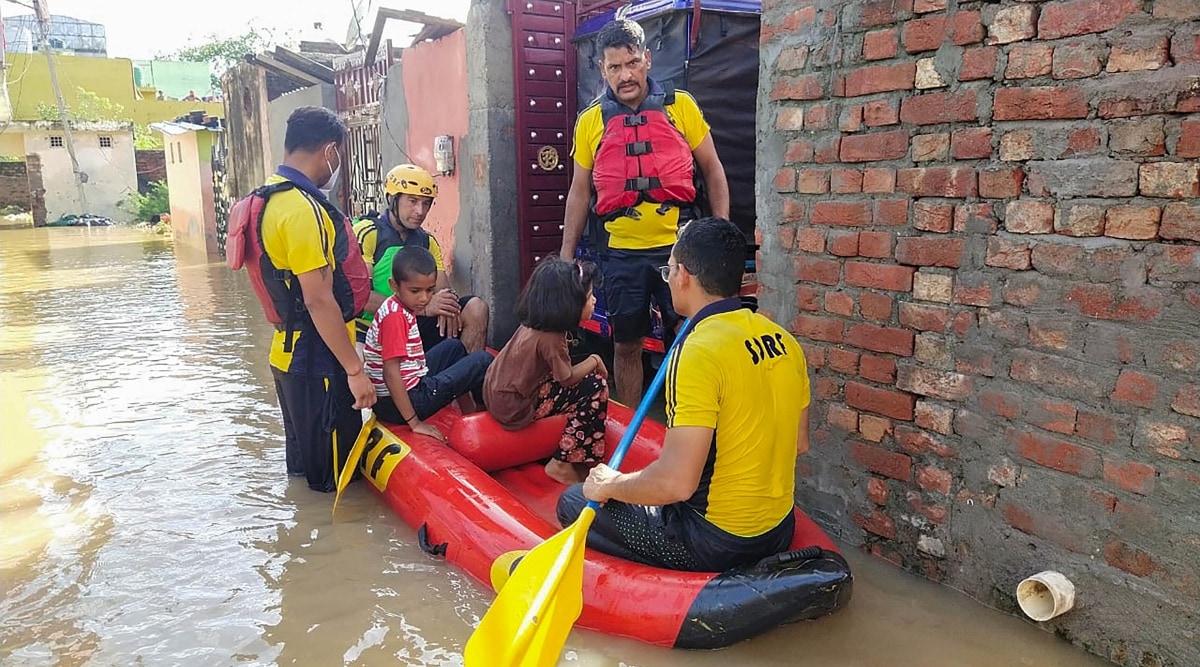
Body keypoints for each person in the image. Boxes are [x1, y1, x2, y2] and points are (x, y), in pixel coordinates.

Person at [557, 218, 810, 572]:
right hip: (779, 531)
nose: (669, 277)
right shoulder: (785, 340)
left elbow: (676, 484)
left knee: (572, 501)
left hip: (715, 542)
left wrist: (611, 484)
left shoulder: (696, 351)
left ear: (684, 276)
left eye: (669, 269)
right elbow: (799, 444)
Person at [559, 18, 730, 407]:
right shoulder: (590, 122)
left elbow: (713, 169)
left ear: (648, 60)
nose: (625, 75)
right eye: (615, 67)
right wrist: (567, 256)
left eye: (632, 63)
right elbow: (579, 191)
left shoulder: (680, 106)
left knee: (691, 341)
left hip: (680, 251)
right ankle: (630, 428)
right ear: (602, 70)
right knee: (626, 344)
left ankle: (688, 422)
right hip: (620, 255)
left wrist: (720, 231)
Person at [260, 106, 377, 493]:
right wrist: (355, 371)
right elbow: (319, 300)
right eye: (339, 155)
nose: (338, 163)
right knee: (336, 486)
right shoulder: (302, 210)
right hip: (318, 363)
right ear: (330, 151)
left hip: (286, 356)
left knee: (304, 474)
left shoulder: (270, 197)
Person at [484, 258, 610, 484]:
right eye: (589, 296)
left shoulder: (535, 323)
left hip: (499, 396)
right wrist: (594, 360)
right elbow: (566, 378)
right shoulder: (552, 336)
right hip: (515, 409)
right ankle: (562, 463)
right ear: (569, 303)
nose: (594, 300)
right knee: (596, 386)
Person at [354, 164, 490, 356]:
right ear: (393, 199)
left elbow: (442, 290)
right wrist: (421, 309)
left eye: (426, 203)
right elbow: (361, 298)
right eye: (412, 201)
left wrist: (446, 303)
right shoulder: (368, 233)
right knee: (359, 363)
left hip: (414, 328)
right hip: (372, 330)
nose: (420, 211)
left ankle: (467, 377)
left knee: (476, 309)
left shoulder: (427, 240)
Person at [363, 246, 494, 443]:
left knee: (454, 347)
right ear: (394, 286)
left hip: (406, 387)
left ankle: (471, 414)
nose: (424, 298)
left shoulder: (399, 305)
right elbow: (390, 373)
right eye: (415, 291)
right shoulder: (395, 317)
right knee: (482, 361)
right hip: (399, 403)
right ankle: (487, 419)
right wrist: (414, 422)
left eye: (430, 290)